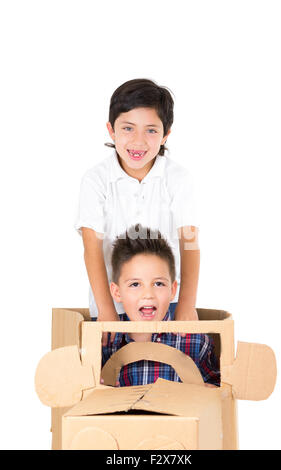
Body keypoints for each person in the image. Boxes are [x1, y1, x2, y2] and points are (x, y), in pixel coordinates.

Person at [75, 78, 200, 346]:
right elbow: (91, 247)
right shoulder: (96, 180)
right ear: (111, 130)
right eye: (128, 128)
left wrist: (187, 305)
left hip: (165, 303)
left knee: (173, 372)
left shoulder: (178, 179)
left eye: (151, 131)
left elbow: (189, 244)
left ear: (166, 134)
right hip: (114, 302)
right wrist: (106, 309)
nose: (139, 141)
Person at [101, 225, 220, 387]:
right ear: (117, 292)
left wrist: (206, 391)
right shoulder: (106, 343)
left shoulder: (196, 342)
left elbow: (221, 394)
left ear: (172, 290)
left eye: (158, 283)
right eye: (135, 284)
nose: (148, 294)